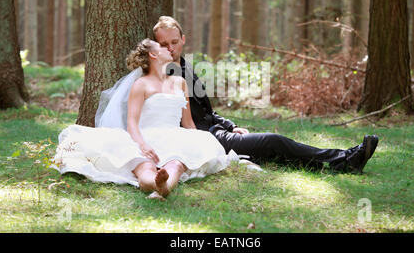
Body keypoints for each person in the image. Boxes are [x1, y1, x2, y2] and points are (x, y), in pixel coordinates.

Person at [152, 16, 379, 174]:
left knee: (272, 150)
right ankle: (344, 159)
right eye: (164, 44)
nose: (171, 48)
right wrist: (218, 137)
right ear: (156, 45)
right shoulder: (164, 76)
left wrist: (230, 125)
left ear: (183, 39)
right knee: (273, 141)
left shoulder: (185, 65)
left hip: (217, 131)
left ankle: (337, 164)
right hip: (205, 140)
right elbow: (183, 122)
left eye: (174, 42)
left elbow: (207, 110)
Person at [53, 39, 243, 200]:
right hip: (145, 136)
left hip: (174, 135)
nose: (168, 49)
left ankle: (165, 187)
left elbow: (188, 123)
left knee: (176, 163)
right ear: (153, 55)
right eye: (161, 47)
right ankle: (153, 183)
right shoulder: (141, 84)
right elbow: (132, 123)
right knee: (144, 166)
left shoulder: (180, 82)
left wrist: (196, 144)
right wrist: (143, 145)